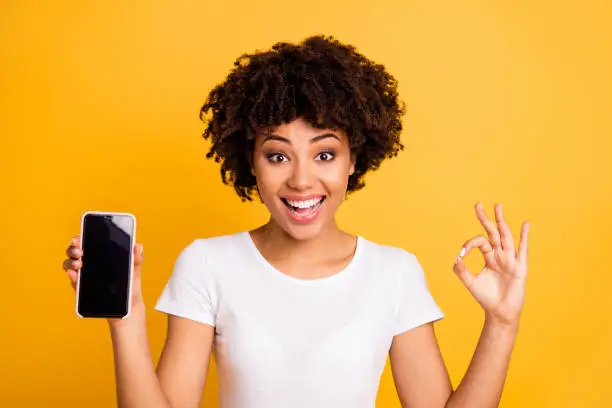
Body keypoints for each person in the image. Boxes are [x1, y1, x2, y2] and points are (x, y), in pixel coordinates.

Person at [62, 35, 530, 408]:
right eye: (277, 155)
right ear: (251, 161)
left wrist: (501, 322)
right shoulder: (207, 264)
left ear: (353, 160)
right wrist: (126, 319)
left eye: (324, 153)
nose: (302, 179)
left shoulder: (395, 273)